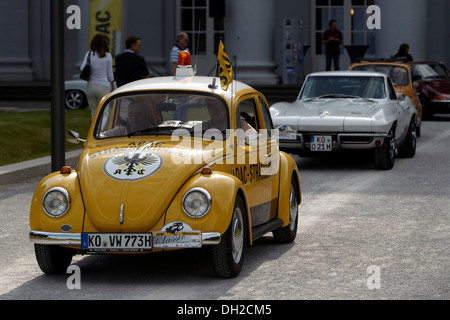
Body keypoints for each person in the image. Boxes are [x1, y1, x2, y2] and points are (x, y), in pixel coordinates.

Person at [81, 34, 115, 119]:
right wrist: (112, 87)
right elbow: (110, 74)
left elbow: (82, 68)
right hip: (103, 86)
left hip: (91, 86)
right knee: (104, 112)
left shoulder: (89, 54)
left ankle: (94, 131)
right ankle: (101, 130)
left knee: (93, 112)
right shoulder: (108, 56)